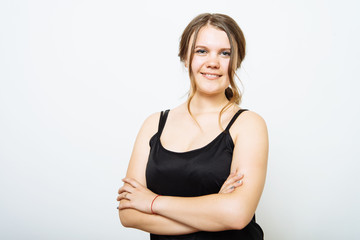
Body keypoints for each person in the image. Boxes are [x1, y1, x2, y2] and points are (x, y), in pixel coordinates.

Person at [117, 13, 268, 239]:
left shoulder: (248, 125)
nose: (213, 62)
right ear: (186, 58)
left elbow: (236, 215)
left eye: (225, 53)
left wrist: (152, 202)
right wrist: (214, 211)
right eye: (201, 51)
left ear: (236, 61)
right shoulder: (154, 125)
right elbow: (128, 214)